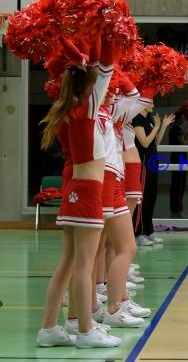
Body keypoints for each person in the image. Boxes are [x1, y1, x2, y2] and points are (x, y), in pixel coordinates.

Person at [37, 34, 121, 348]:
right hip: (86, 193)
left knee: (68, 263)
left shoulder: (66, 110)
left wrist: (74, 41)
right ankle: (85, 330)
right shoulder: (85, 110)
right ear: (90, 87)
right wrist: (105, 30)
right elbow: (107, 66)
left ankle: (48, 330)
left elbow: (96, 67)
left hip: (74, 189)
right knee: (84, 266)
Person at [132, 100, 175, 245]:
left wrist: (162, 126)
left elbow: (155, 142)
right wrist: (156, 126)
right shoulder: (136, 119)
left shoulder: (149, 119)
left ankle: (148, 231)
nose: (153, 104)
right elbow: (144, 142)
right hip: (143, 162)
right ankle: (138, 233)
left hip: (152, 161)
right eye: (150, 102)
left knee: (151, 198)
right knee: (142, 199)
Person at [169, 108, 188, 218]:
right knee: (179, 184)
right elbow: (184, 144)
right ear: (178, 119)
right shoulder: (178, 129)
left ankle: (176, 208)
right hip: (179, 158)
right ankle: (177, 209)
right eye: (182, 117)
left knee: (177, 183)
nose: (184, 119)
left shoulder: (174, 129)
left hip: (176, 157)